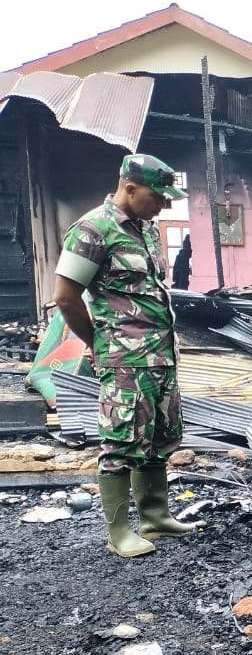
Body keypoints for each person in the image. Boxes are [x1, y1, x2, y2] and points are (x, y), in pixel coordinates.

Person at [52, 154, 197, 558]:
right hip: (124, 359)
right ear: (129, 188)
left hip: (160, 357)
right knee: (121, 442)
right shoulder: (92, 230)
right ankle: (119, 532)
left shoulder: (147, 230)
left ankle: (155, 516)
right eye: (157, 196)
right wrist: (98, 344)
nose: (163, 206)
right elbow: (65, 296)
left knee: (158, 438)